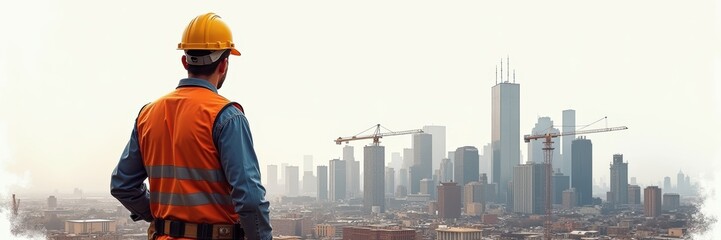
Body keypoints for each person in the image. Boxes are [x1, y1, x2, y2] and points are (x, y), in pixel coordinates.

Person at [110, 12, 272, 240]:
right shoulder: (227, 117)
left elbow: (122, 185)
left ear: (185, 61)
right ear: (224, 64)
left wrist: (160, 218)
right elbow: (250, 199)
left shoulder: (148, 114)